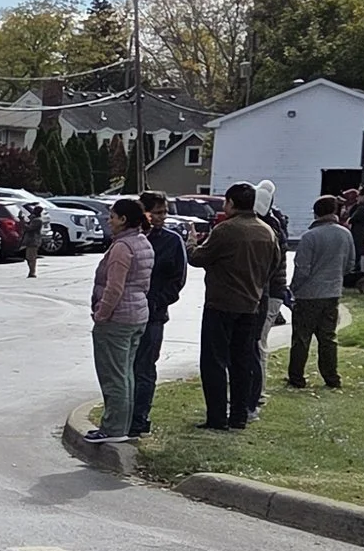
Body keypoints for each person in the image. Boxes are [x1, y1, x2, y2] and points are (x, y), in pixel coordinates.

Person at [191, 182, 283, 431]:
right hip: (251, 304)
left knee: (214, 362)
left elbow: (198, 258)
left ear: (231, 203)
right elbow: (274, 265)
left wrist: (191, 242)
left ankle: (217, 417)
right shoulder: (267, 232)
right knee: (242, 362)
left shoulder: (225, 230)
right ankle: (240, 415)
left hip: (221, 303)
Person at [87, 197, 153, 445]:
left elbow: (114, 288)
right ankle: (122, 425)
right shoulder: (142, 242)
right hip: (137, 316)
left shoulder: (122, 248)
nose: (109, 220)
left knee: (113, 376)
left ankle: (113, 428)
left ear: (124, 220)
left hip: (117, 320)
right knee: (126, 374)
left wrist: (101, 315)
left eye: (112, 216)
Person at [285, 194, 356, 389]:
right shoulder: (345, 234)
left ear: (316, 213)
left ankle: (297, 377)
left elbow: (302, 268)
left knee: (301, 337)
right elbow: (350, 264)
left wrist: (294, 289)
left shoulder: (310, 237)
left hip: (308, 294)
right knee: (328, 337)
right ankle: (331, 377)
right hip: (332, 292)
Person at [132, 194, 188, 435]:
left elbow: (178, 280)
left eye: (164, 212)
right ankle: (119, 415)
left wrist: (156, 303)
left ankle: (139, 419)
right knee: (124, 368)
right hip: (128, 313)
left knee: (145, 367)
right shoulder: (130, 239)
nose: (160, 218)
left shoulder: (172, 241)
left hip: (154, 316)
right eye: (156, 212)